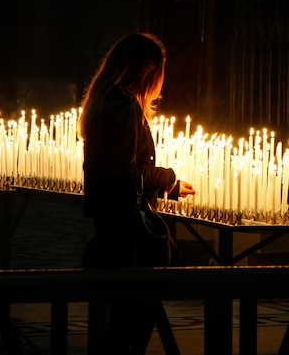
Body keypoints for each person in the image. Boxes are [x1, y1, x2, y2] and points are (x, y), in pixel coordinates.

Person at [78, 32, 195, 354]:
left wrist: (168, 187)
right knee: (132, 310)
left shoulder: (107, 99)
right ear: (146, 70)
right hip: (124, 224)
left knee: (126, 310)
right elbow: (123, 172)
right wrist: (168, 177)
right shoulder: (122, 104)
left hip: (111, 215)